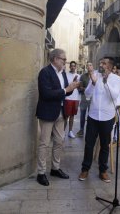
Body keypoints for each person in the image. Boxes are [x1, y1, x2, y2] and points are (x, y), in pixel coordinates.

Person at [35, 49, 79, 186]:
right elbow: (46, 94)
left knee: (59, 141)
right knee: (44, 143)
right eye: (63, 59)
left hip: (61, 112)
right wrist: (67, 89)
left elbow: (63, 93)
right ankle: (41, 173)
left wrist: (71, 88)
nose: (65, 62)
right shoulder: (45, 72)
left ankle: (55, 168)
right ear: (54, 59)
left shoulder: (63, 74)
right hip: (48, 112)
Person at [78, 57, 120, 183]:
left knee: (105, 145)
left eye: (104, 63)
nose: (100, 64)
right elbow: (87, 94)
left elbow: (115, 96)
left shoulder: (116, 79)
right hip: (93, 116)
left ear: (109, 67)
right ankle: (85, 169)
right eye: (100, 62)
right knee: (89, 144)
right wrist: (93, 83)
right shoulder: (95, 76)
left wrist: (106, 82)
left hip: (107, 116)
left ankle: (102, 171)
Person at [64, 61, 80, 138]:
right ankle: (63, 132)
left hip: (76, 98)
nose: (73, 67)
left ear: (76, 67)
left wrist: (79, 85)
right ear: (70, 67)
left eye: (74, 66)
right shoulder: (66, 75)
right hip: (68, 98)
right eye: (72, 66)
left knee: (72, 116)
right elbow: (65, 86)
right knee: (66, 116)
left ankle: (70, 131)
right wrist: (73, 82)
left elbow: (80, 87)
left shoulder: (78, 76)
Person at [76, 62, 93, 137]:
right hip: (84, 98)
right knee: (82, 114)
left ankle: (90, 130)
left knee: (91, 115)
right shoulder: (83, 76)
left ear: (92, 67)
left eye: (90, 65)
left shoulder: (96, 76)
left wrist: (85, 88)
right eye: (87, 66)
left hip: (93, 99)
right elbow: (80, 87)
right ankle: (81, 129)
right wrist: (85, 89)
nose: (89, 67)